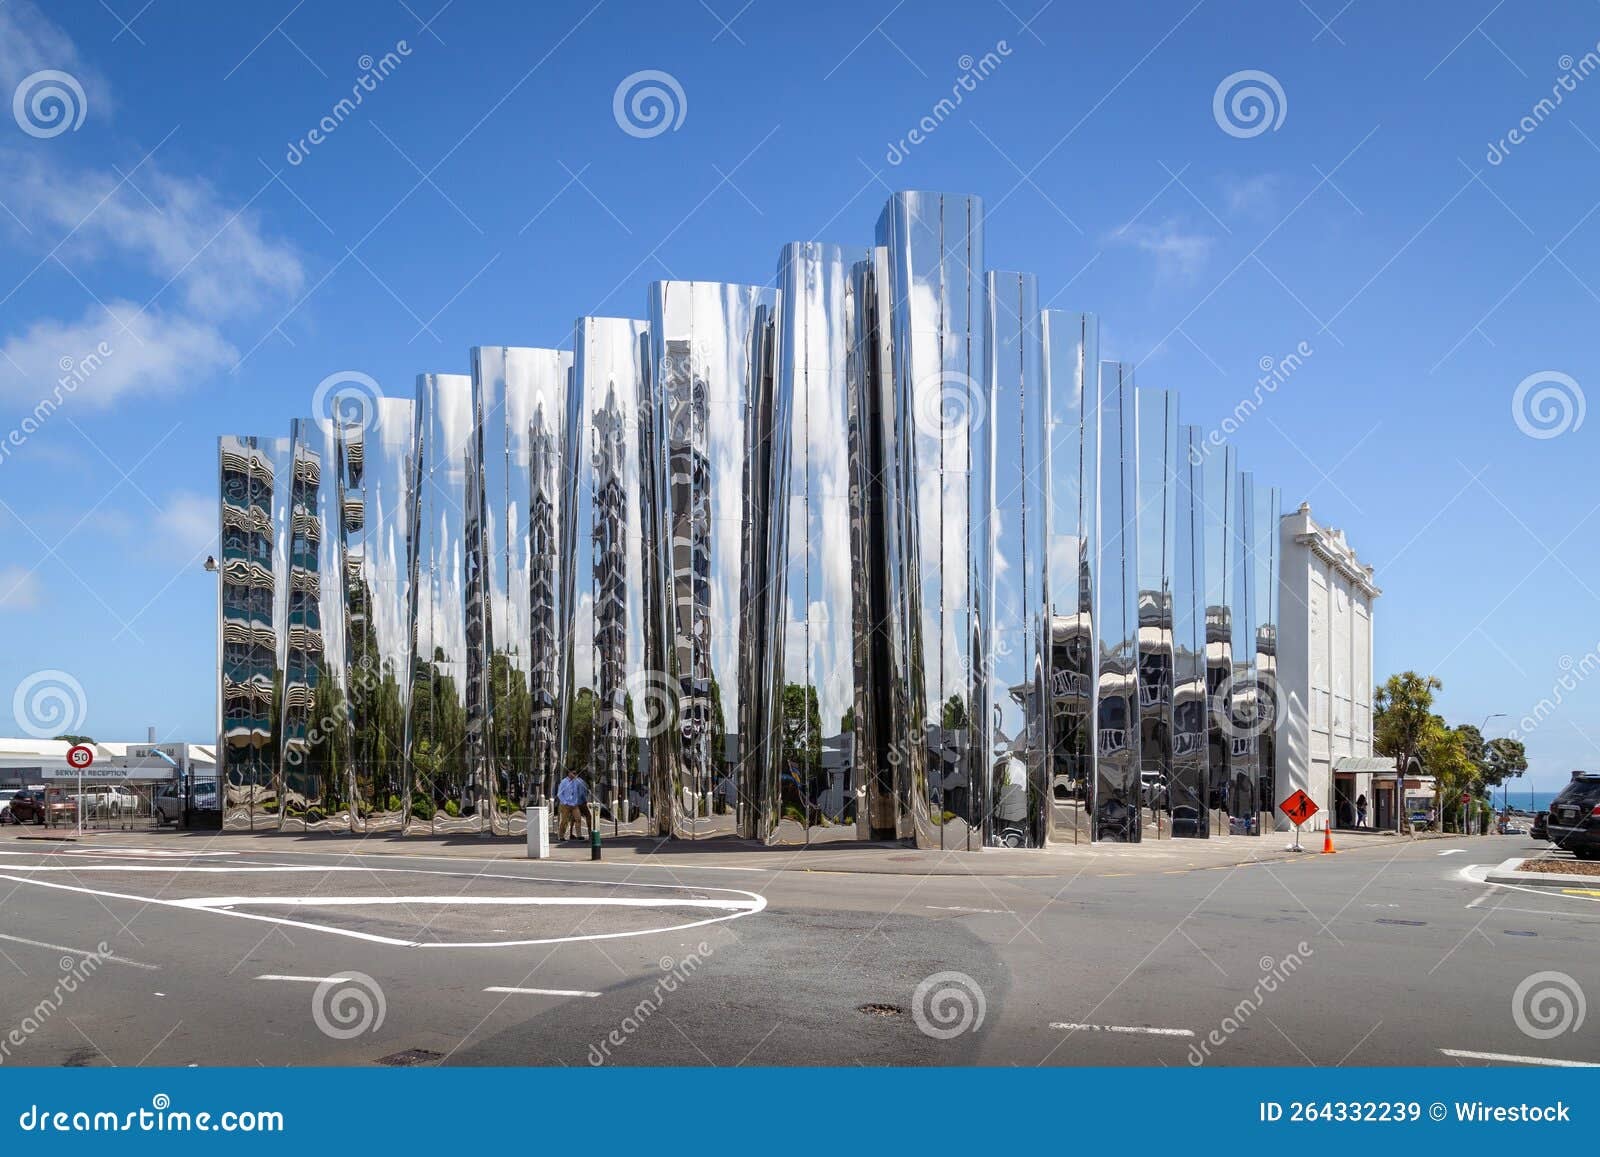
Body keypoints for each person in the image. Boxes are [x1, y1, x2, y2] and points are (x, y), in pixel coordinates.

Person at [556, 770, 591, 840]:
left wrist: (576, 801)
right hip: (565, 805)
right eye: (574, 773)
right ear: (569, 773)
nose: (575, 775)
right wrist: (565, 802)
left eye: (576, 773)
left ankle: (579, 835)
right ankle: (561, 836)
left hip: (574, 804)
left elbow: (579, 792)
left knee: (578, 819)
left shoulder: (576, 782)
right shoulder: (564, 782)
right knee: (564, 821)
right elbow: (559, 794)